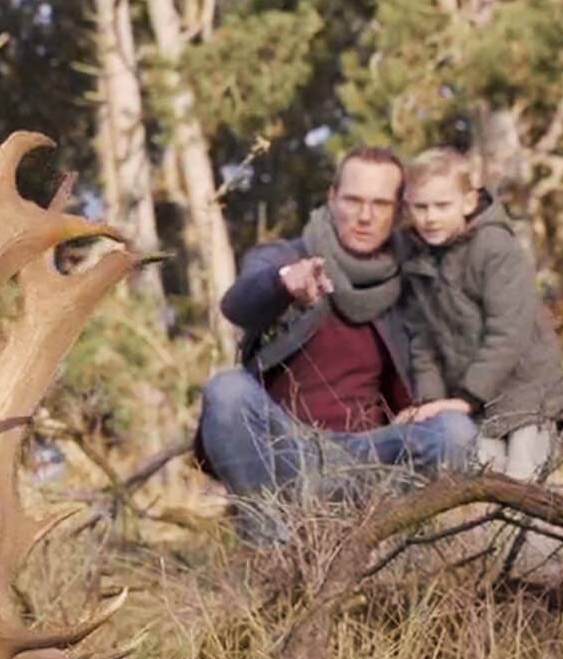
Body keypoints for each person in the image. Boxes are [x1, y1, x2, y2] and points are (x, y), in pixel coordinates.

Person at [195, 146, 478, 540]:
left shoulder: (415, 279)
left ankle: (386, 541)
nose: (365, 216)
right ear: (332, 198)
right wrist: (284, 284)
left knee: (455, 432)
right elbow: (238, 304)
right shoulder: (285, 256)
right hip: (285, 448)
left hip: (369, 457)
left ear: (399, 211)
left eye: (380, 204)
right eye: (353, 200)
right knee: (225, 389)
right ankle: (272, 551)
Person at [397, 147, 563, 480]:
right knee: (485, 478)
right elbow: (423, 342)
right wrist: (434, 403)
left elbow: (508, 332)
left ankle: (541, 531)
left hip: (526, 394)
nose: (430, 217)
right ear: (408, 206)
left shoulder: (494, 248)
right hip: (474, 402)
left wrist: (466, 399)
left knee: (524, 483)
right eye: (420, 207)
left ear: (467, 202)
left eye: (442, 206)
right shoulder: (418, 260)